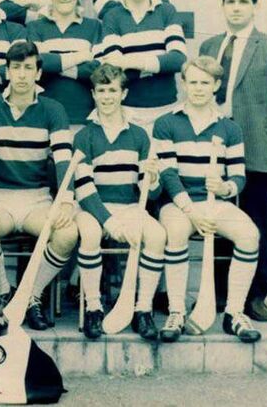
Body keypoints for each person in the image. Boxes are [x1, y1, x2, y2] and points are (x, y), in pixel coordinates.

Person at [199, 0, 267, 321]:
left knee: (255, 223)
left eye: (243, 2)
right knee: (218, 220)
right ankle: (220, 294)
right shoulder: (210, 46)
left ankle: (255, 295)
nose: (236, 8)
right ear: (223, 5)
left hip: (256, 151)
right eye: (231, 2)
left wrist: (261, 127)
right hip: (213, 150)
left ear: (255, 6)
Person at [153, 56, 262, 344]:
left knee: (250, 235)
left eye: (205, 83)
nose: (198, 88)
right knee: (175, 233)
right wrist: (191, 212)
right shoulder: (166, 123)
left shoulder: (229, 128)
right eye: (193, 82)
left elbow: (239, 176)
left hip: (217, 203)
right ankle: (176, 311)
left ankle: (234, 313)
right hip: (178, 204)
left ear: (215, 86)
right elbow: (168, 175)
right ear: (184, 84)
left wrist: (226, 187)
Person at [0, 42, 77, 330]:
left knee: (67, 233)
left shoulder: (53, 109)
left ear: (38, 73)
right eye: (15, 68)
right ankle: (6, 292)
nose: (21, 74)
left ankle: (30, 294)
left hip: (36, 199)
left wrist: (66, 201)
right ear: (7, 72)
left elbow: (64, 161)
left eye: (28, 68)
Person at [73, 64, 164, 340]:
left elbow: (150, 194)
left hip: (129, 208)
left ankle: (143, 309)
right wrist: (108, 221)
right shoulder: (84, 135)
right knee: (89, 234)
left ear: (123, 93)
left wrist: (153, 179)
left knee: (158, 235)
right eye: (101, 91)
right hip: (93, 207)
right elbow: (84, 189)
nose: (107, 96)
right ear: (93, 94)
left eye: (112, 90)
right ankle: (93, 308)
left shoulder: (139, 135)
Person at [95, 0, 186, 131]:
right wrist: (158, 65)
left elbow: (178, 60)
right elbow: (113, 69)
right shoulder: (112, 16)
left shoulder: (167, 11)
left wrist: (131, 61)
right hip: (127, 110)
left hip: (166, 107)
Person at [26, 0, 101, 128]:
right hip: (42, 119)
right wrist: (80, 57)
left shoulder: (94, 26)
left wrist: (54, 66)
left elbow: (96, 69)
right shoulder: (35, 27)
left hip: (83, 118)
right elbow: (37, 64)